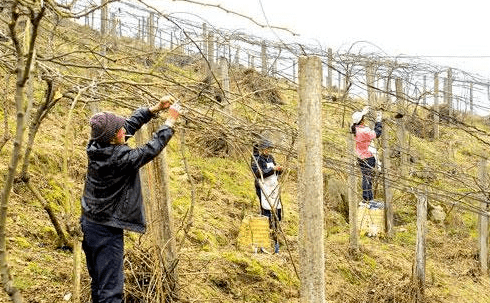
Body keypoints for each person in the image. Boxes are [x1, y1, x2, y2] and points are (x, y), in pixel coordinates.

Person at [80, 96, 181, 303]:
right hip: (106, 230)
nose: (123, 131)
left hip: (90, 222)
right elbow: (150, 149)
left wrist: (154, 109)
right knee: (111, 291)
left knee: (99, 283)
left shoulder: (97, 145)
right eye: (120, 131)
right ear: (113, 138)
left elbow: (128, 125)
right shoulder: (119, 159)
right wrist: (169, 122)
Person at [250, 139, 282, 253]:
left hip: (273, 188)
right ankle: (264, 239)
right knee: (266, 212)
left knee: (277, 212)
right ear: (261, 149)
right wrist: (271, 169)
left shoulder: (271, 158)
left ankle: (276, 236)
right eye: (266, 149)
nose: (267, 151)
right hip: (263, 189)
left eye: (269, 149)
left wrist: (279, 170)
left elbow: (275, 173)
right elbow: (257, 173)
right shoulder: (256, 159)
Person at [351, 106, 383, 206]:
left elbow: (356, 121)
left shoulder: (354, 128)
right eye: (363, 118)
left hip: (360, 156)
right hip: (367, 157)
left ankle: (368, 199)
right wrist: (379, 121)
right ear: (361, 121)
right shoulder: (364, 131)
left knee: (366, 176)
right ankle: (367, 199)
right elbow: (377, 133)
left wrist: (363, 112)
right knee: (367, 178)